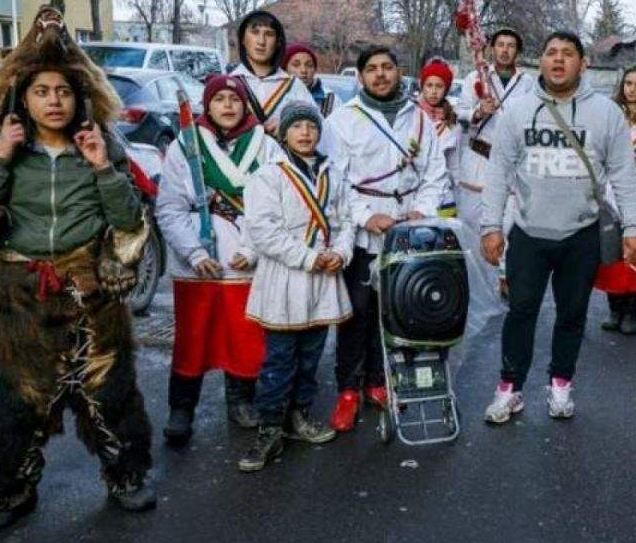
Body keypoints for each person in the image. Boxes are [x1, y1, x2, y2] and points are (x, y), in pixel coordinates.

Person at [0, 7, 156, 531]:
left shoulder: (101, 142)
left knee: (110, 390)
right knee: (17, 399)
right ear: (23, 96)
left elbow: (128, 220)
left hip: (90, 291)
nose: (53, 100)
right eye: (42, 91)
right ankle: (13, 493)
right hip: (18, 293)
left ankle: (126, 477)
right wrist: (3, 157)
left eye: (63, 90)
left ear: (79, 96)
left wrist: (102, 165)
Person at [479, 31, 636, 424]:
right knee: (520, 312)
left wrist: (634, 227)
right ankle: (509, 388)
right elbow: (499, 172)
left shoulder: (605, 113)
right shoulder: (518, 111)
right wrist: (491, 226)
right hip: (529, 232)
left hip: (581, 234)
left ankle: (560, 386)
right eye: (550, 52)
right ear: (541, 61)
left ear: (582, 63)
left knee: (572, 315)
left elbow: (624, 172)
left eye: (567, 54)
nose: (558, 60)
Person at [322, 46, 448, 432]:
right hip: (362, 231)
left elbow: (435, 173)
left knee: (393, 310)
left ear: (399, 72)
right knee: (356, 312)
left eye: (387, 67)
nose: (380, 74)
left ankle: (379, 380)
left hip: (407, 229)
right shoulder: (342, 120)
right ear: (360, 76)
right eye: (372, 69)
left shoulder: (420, 120)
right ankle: (348, 389)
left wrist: (420, 214)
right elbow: (335, 180)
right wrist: (365, 216)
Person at [157, 74, 285, 445]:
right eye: (219, 99)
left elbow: (277, 207)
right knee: (192, 339)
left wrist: (253, 250)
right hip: (200, 267)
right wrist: (194, 252)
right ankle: (181, 408)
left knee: (246, 337)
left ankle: (241, 400)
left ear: (245, 105)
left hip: (247, 263)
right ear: (207, 106)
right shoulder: (188, 145)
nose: (227, 106)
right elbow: (169, 208)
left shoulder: (266, 145)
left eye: (234, 98)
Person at [238, 103, 354, 472]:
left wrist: (341, 251)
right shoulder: (268, 176)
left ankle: (300, 416)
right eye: (297, 126)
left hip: (322, 278)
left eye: (311, 126)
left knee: (310, 356)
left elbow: (345, 219)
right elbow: (263, 230)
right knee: (279, 360)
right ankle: (270, 428)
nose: (305, 132)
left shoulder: (332, 173)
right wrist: (308, 258)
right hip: (286, 278)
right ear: (283, 132)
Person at [595, 66, 636, 336]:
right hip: (614, 185)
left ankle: (632, 313)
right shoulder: (610, 113)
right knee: (613, 248)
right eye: (628, 83)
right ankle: (614, 308)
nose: (632, 89)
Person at [455, 27, 535, 231]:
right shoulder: (476, 77)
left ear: (517, 52)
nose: (505, 50)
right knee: (472, 227)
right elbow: (460, 112)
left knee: (506, 227)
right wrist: (479, 112)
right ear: (491, 49)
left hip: (511, 164)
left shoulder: (527, 83)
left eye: (511, 46)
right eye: (500, 45)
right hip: (478, 161)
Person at [229, 10, 318, 134]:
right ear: (243, 39)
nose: (261, 41)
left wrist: (289, 126)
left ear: (278, 42)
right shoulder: (228, 84)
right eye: (255, 32)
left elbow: (318, 129)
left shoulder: (293, 86)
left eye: (269, 34)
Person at [417, 58, 460, 217]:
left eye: (439, 86)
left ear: (446, 89)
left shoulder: (451, 121)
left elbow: (454, 165)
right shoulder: (411, 115)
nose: (434, 91)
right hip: (416, 194)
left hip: (444, 196)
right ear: (422, 86)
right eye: (429, 85)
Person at [283, 42, 337, 117]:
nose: (303, 70)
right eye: (296, 65)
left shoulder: (329, 98)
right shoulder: (275, 96)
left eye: (309, 65)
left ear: (314, 70)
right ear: (285, 69)